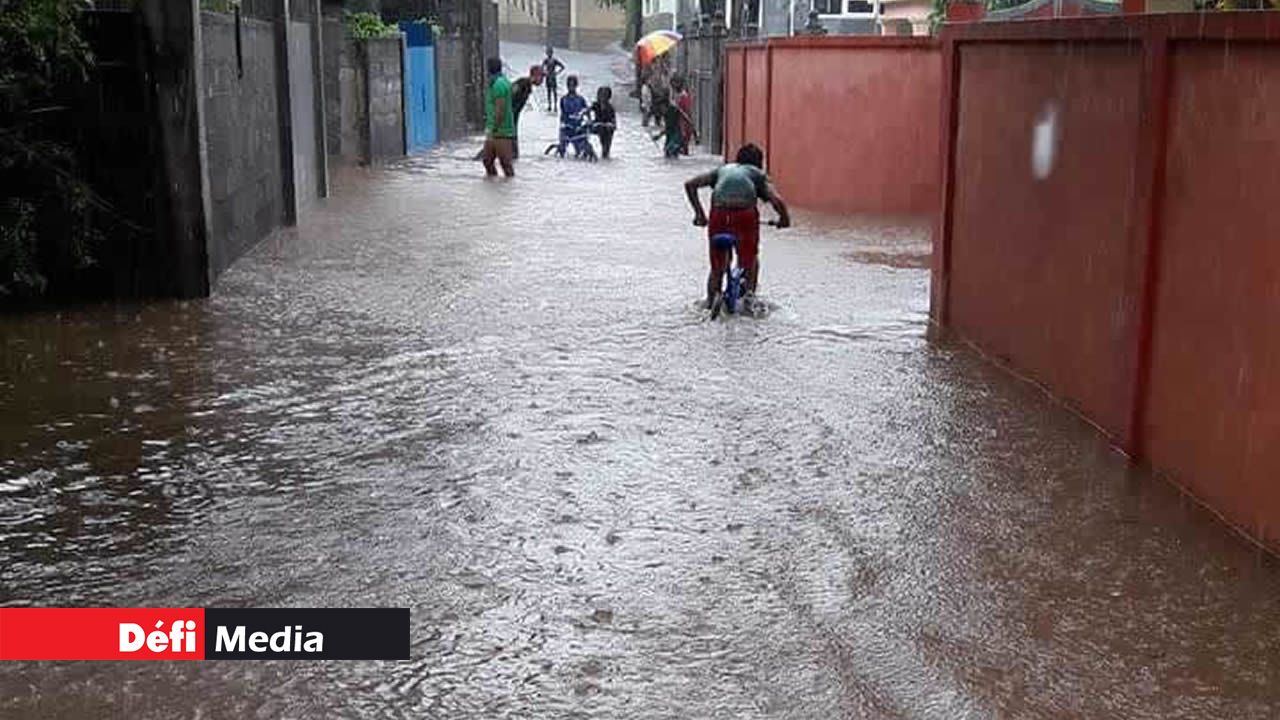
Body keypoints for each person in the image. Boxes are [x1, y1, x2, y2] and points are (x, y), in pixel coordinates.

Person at [684, 143, 791, 308]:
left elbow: (690, 184)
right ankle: (749, 297)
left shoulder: (722, 170)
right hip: (745, 216)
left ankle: (710, 300)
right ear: (759, 163)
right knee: (750, 259)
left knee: (717, 266)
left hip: (718, 215)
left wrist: (699, 214)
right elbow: (777, 201)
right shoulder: (757, 174)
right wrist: (784, 220)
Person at [481, 57, 515, 177]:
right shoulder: (497, 82)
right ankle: (496, 188)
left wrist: (494, 128)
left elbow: (500, 109)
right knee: (487, 161)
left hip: (501, 131)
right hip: (494, 129)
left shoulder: (499, 84)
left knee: (505, 164)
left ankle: (509, 190)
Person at [546, 74, 593, 159]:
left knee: (580, 153)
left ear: (576, 86)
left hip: (578, 128)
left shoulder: (581, 99)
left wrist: (589, 122)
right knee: (562, 152)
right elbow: (563, 114)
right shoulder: (563, 99)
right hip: (567, 128)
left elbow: (587, 112)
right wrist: (562, 127)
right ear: (567, 86)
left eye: (573, 85)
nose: (571, 87)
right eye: (569, 85)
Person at [509, 65, 544, 159]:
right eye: (541, 76)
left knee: (511, 151)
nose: (542, 80)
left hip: (512, 120)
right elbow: (508, 97)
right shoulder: (522, 84)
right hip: (507, 120)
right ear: (535, 76)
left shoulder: (527, 86)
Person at [650, 90, 696, 159]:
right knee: (668, 152)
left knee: (670, 150)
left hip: (677, 135)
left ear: (664, 105)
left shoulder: (672, 111)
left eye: (660, 107)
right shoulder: (668, 111)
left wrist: (659, 136)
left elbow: (670, 126)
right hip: (672, 135)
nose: (660, 110)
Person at [589, 86, 617, 159]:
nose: (602, 97)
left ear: (608, 97)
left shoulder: (610, 108)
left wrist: (610, 125)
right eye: (600, 95)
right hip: (597, 126)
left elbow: (614, 122)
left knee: (605, 151)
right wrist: (589, 120)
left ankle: (605, 155)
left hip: (607, 129)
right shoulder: (595, 105)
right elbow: (587, 110)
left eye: (604, 95)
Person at [673, 75, 694, 155]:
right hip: (681, 120)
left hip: (683, 120)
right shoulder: (681, 95)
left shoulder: (683, 96)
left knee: (684, 138)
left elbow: (686, 109)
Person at [541, 46, 565, 112]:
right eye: (548, 52)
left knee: (554, 92)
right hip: (549, 77)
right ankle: (550, 105)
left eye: (549, 52)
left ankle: (555, 106)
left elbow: (562, 67)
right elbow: (541, 68)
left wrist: (556, 73)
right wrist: (544, 72)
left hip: (552, 77)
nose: (549, 54)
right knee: (549, 92)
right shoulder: (546, 60)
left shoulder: (554, 60)